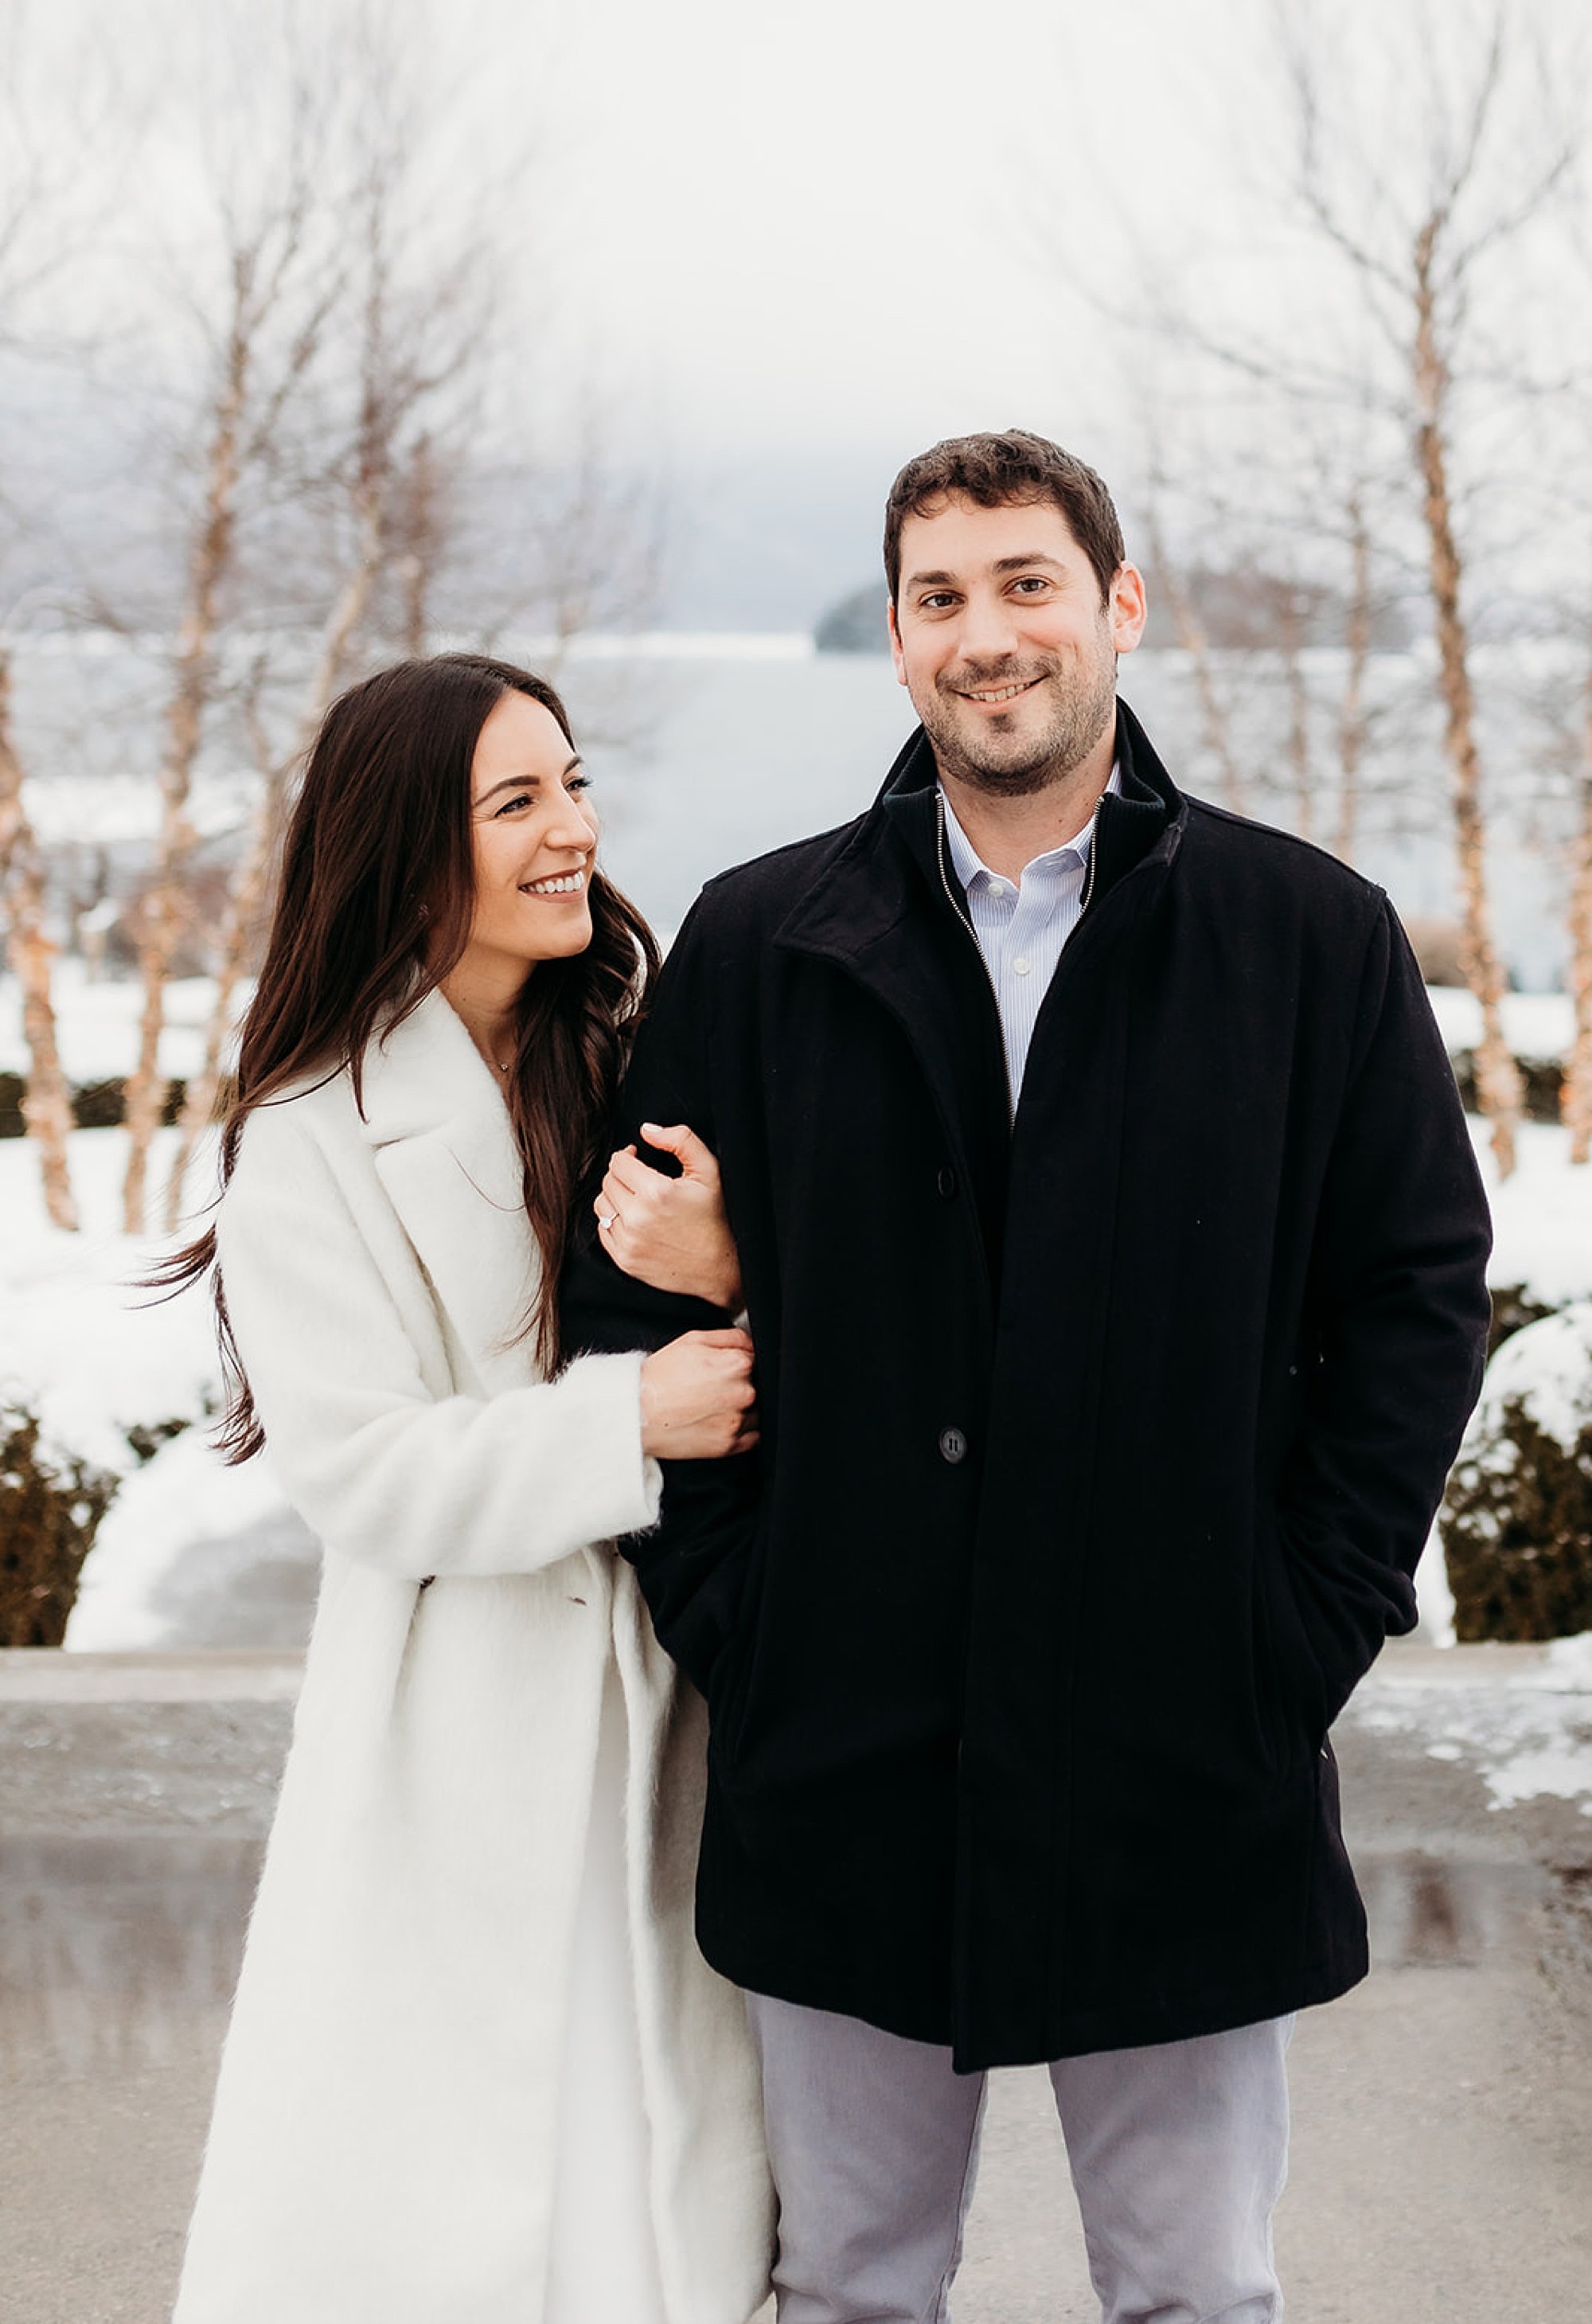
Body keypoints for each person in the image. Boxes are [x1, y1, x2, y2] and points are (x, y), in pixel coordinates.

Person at [563, 430, 1494, 2324]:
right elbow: (637, 1299)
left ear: (1117, 607)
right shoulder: (756, 943)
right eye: (938, 598)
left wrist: (1294, 1624)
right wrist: (751, 1614)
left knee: (1191, 2296)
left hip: (1183, 1747)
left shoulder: (1307, 937)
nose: (984, 636)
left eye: (1024, 584)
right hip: (842, 1748)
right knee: (844, 2291)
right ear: (896, 641)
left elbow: (1415, 1293)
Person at [165, 654, 773, 2324]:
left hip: (670, 1710)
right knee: (464, 2215)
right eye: (517, 802)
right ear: (404, 849)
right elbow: (361, 1472)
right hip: (455, 1752)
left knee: (660, 2197)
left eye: (572, 785)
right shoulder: (311, 1131)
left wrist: (734, 1272)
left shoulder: (645, 1059)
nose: (574, 829)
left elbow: (795, 1312)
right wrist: (626, 1421)